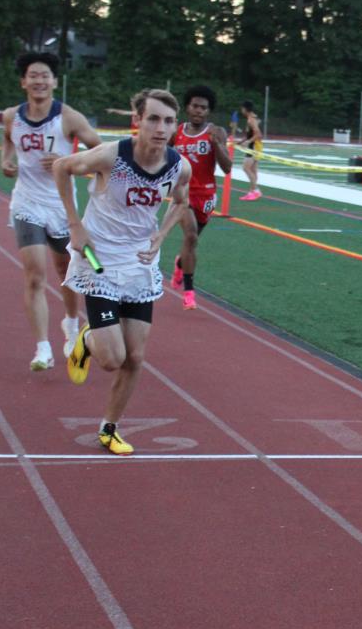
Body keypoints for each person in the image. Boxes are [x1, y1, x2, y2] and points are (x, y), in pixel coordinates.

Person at [52, 89, 191, 455]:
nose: (160, 128)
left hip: (139, 263)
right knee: (112, 359)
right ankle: (87, 340)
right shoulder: (111, 155)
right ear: (138, 121)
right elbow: (61, 167)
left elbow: (181, 201)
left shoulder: (179, 166)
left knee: (135, 358)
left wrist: (161, 235)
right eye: (153, 119)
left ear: (175, 126)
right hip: (99, 259)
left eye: (168, 121)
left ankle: (109, 429)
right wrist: (74, 225)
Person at [0, 51, 100, 370]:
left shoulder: (69, 118)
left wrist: (66, 161)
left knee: (64, 271)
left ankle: (70, 322)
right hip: (26, 203)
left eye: (45, 75)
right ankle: (43, 348)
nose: (39, 80)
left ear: (55, 81)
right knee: (34, 275)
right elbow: (8, 140)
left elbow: (101, 154)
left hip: (60, 206)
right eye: (33, 75)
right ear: (23, 82)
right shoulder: (11, 116)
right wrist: (6, 160)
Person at [171, 85, 233, 309]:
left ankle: (181, 262)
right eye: (195, 106)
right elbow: (162, 157)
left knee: (192, 241)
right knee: (190, 236)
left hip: (206, 195)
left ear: (208, 111)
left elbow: (227, 168)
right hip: (183, 193)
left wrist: (217, 145)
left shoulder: (216, 132)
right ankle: (189, 293)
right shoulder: (177, 132)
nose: (198, 110)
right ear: (188, 107)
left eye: (203, 107)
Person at [238, 100, 263, 200]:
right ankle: (252, 192)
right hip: (257, 146)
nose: (241, 110)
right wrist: (241, 141)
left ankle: (256, 191)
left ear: (245, 109)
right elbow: (250, 134)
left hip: (254, 146)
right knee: (253, 170)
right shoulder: (253, 118)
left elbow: (258, 134)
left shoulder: (251, 120)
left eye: (242, 108)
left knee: (246, 168)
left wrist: (248, 142)